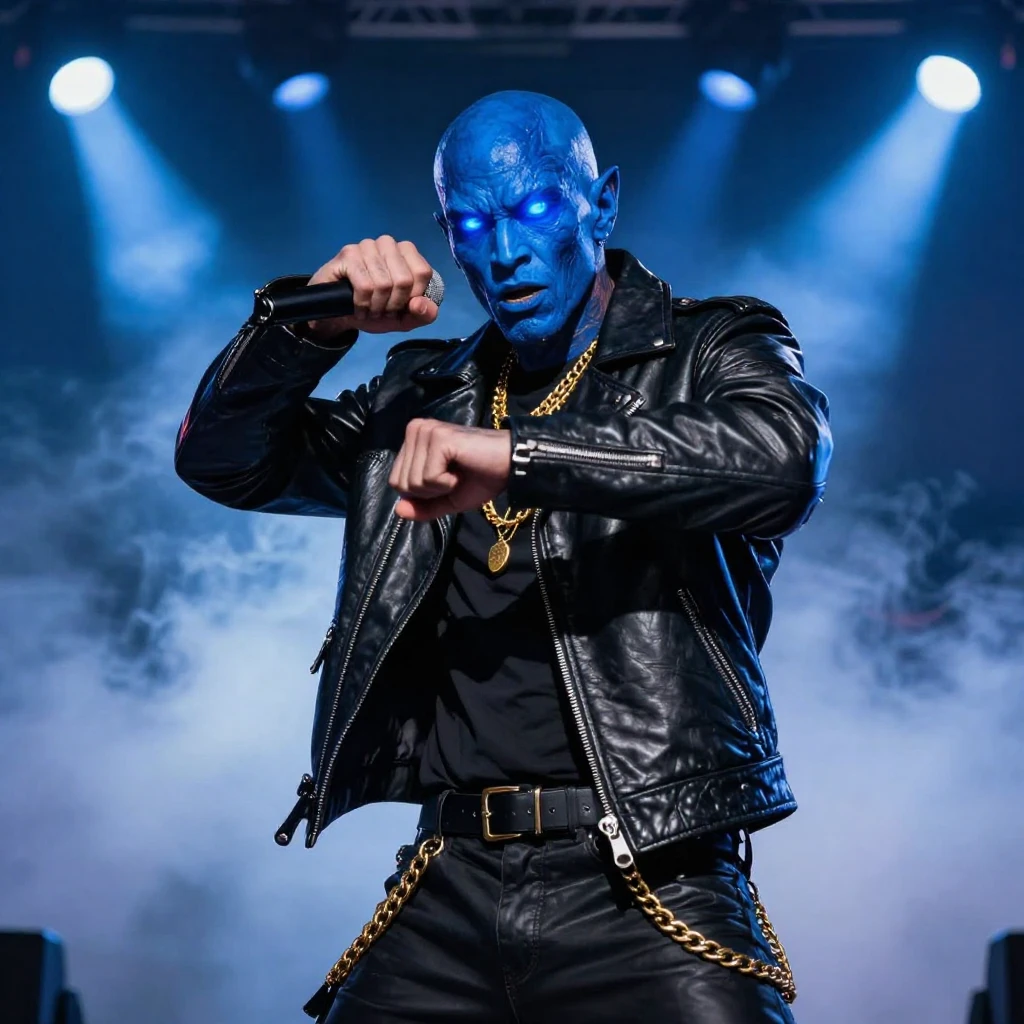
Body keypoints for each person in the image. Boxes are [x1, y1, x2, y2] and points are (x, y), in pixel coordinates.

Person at [175, 89, 832, 1023]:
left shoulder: (708, 345)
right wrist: (306, 330)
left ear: (601, 203)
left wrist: (518, 457)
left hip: (654, 876)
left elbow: (782, 463)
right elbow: (223, 461)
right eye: (474, 224)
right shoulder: (423, 393)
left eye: (535, 208)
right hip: (448, 881)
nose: (507, 250)